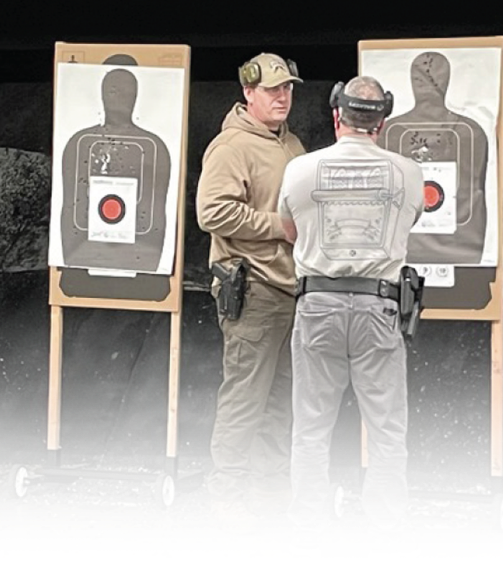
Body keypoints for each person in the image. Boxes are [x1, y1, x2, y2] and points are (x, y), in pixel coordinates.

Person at [279, 76, 424, 555]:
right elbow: (414, 219)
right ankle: (387, 532)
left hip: (316, 303)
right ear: (381, 121)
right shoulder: (407, 172)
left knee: (311, 426)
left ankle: (306, 529)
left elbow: (288, 227)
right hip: (378, 306)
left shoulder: (301, 169)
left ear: (336, 115)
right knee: (385, 428)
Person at [195, 53, 306, 535]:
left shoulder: (292, 143)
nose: (281, 97)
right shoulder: (231, 146)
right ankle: (226, 495)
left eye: (287, 89)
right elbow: (212, 212)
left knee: (279, 396)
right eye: (271, 91)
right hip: (253, 285)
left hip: (288, 285)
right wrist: (277, 227)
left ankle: (270, 484)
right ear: (248, 93)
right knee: (245, 395)